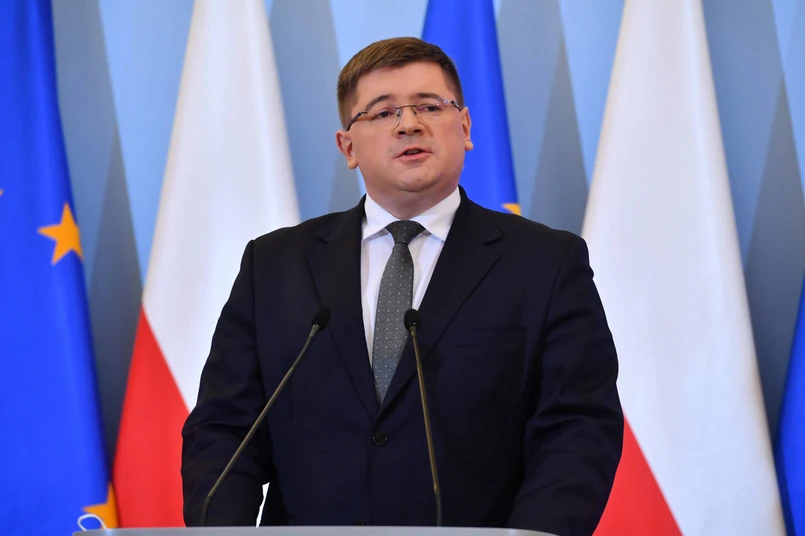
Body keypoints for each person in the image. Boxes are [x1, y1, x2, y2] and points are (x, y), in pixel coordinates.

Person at [181, 37, 623, 536]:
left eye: (430, 106)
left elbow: (577, 427)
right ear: (348, 147)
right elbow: (224, 428)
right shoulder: (274, 264)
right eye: (382, 112)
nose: (409, 124)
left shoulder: (545, 262)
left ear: (465, 127)